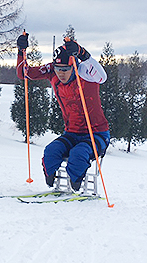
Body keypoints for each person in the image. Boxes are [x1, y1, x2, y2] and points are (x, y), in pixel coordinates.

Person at [16, 33, 110, 191]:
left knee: (78, 155)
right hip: (71, 133)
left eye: (65, 70)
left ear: (73, 66)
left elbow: (102, 77)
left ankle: (76, 186)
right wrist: (21, 51)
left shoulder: (85, 72)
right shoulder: (52, 71)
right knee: (51, 152)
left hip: (97, 134)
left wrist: (82, 53)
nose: (61, 73)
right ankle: (53, 182)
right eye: (58, 69)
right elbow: (24, 73)